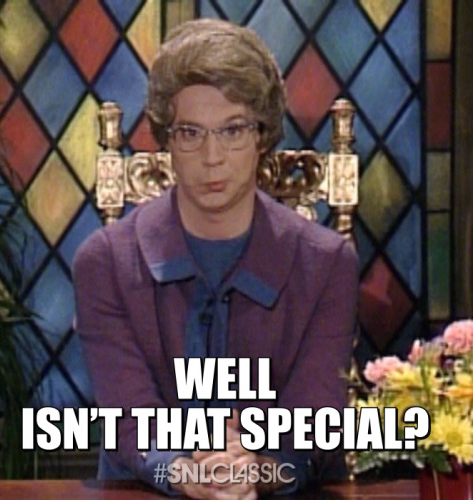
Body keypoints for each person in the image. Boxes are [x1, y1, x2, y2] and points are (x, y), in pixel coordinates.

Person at [73, 18, 358, 499]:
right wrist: (186, 473)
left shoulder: (328, 263)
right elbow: (128, 419)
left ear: (262, 135)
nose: (212, 157)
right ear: (166, 139)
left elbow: (315, 419)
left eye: (233, 130)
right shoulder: (104, 264)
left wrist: (256, 470)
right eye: (190, 132)